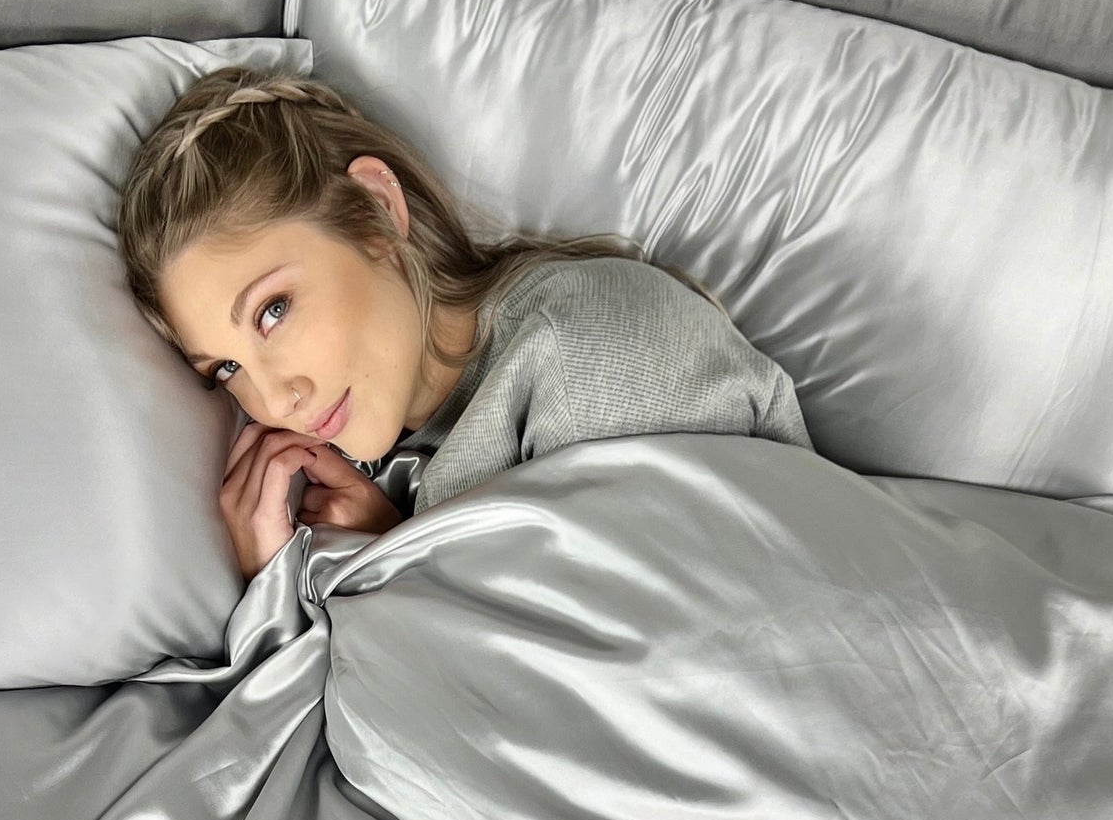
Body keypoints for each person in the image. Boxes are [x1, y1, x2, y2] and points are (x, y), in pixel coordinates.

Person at [118, 68, 813, 583]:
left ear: (377, 210)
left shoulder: (591, 351)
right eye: (226, 369)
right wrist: (318, 569)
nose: (274, 402)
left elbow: (649, 682)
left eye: (273, 310)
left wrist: (392, 564)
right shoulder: (366, 472)